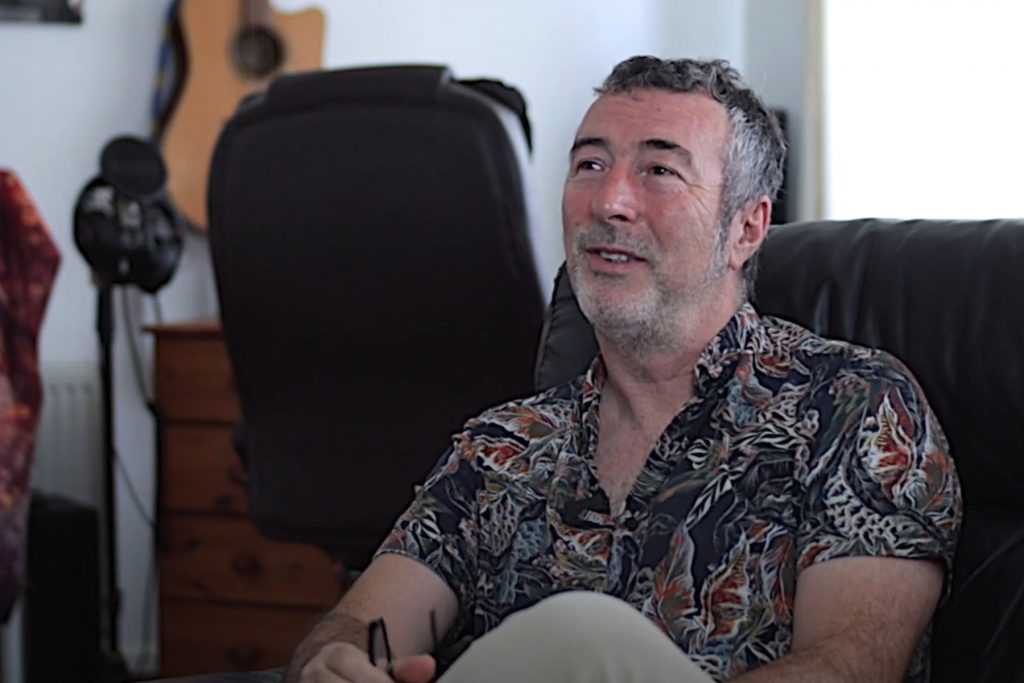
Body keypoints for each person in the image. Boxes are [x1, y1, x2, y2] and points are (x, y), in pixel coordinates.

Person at [210, 55, 963, 683]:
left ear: (746, 226)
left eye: (660, 170)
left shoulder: (853, 405)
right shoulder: (502, 446)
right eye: (590, 163)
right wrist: (332, 659)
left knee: (581, 636)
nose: (609, 201)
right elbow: (361, 619)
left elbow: (852, 667)